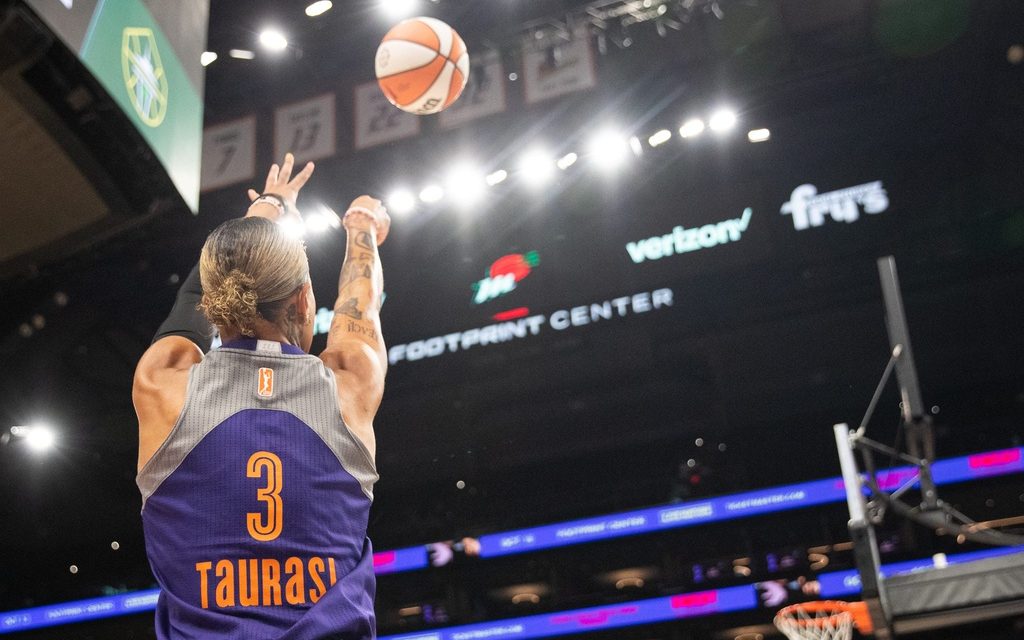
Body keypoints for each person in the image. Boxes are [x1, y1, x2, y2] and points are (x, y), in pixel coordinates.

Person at [132, 153, 390, 639]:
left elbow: (190, 301)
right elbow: (363, 302)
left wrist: (268, 208)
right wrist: (363, 228)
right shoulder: (350, 382)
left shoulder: (162, 384)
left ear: (216, 301)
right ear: (304, 300)